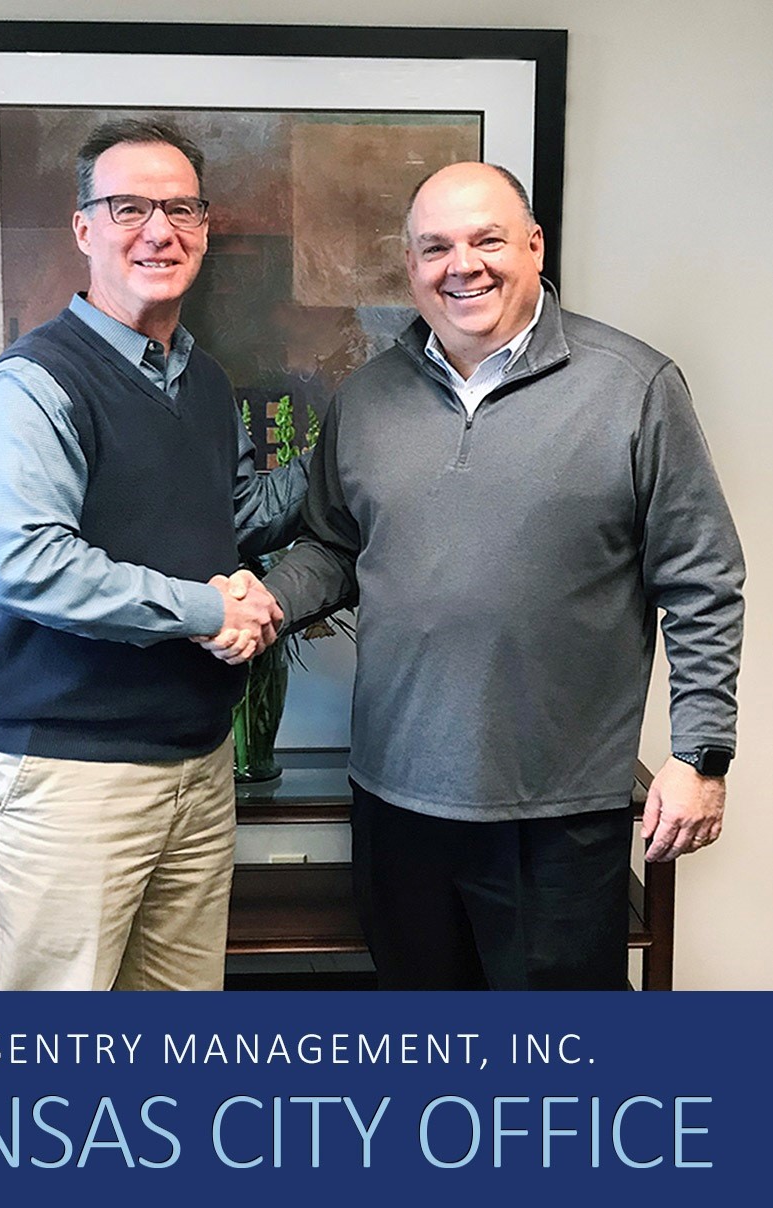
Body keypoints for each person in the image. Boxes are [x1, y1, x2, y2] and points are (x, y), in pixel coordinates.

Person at [205, 162, 745, 990]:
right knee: (428, 1051)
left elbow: (701, 579)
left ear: (532, 246)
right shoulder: (368, 397)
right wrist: (270, 598)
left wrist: (700, 753)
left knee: (560, 1069)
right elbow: (336, 546)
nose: (463, 265)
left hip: (556, 811)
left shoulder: (635, 387)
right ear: (411, 265)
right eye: (435, 247)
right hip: (393, 800)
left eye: (487, 239)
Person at [0, 119, 298, 991]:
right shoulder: (36, 382)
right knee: (58, 1075)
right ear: (83, 229)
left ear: (205, 227)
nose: (159, 229)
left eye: (180, 208)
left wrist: (357, 451)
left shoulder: (207, 382)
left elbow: (233, 518)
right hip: (70, 778)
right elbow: (26, 563)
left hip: (195, 764)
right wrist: (206, 611)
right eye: (129, 207)